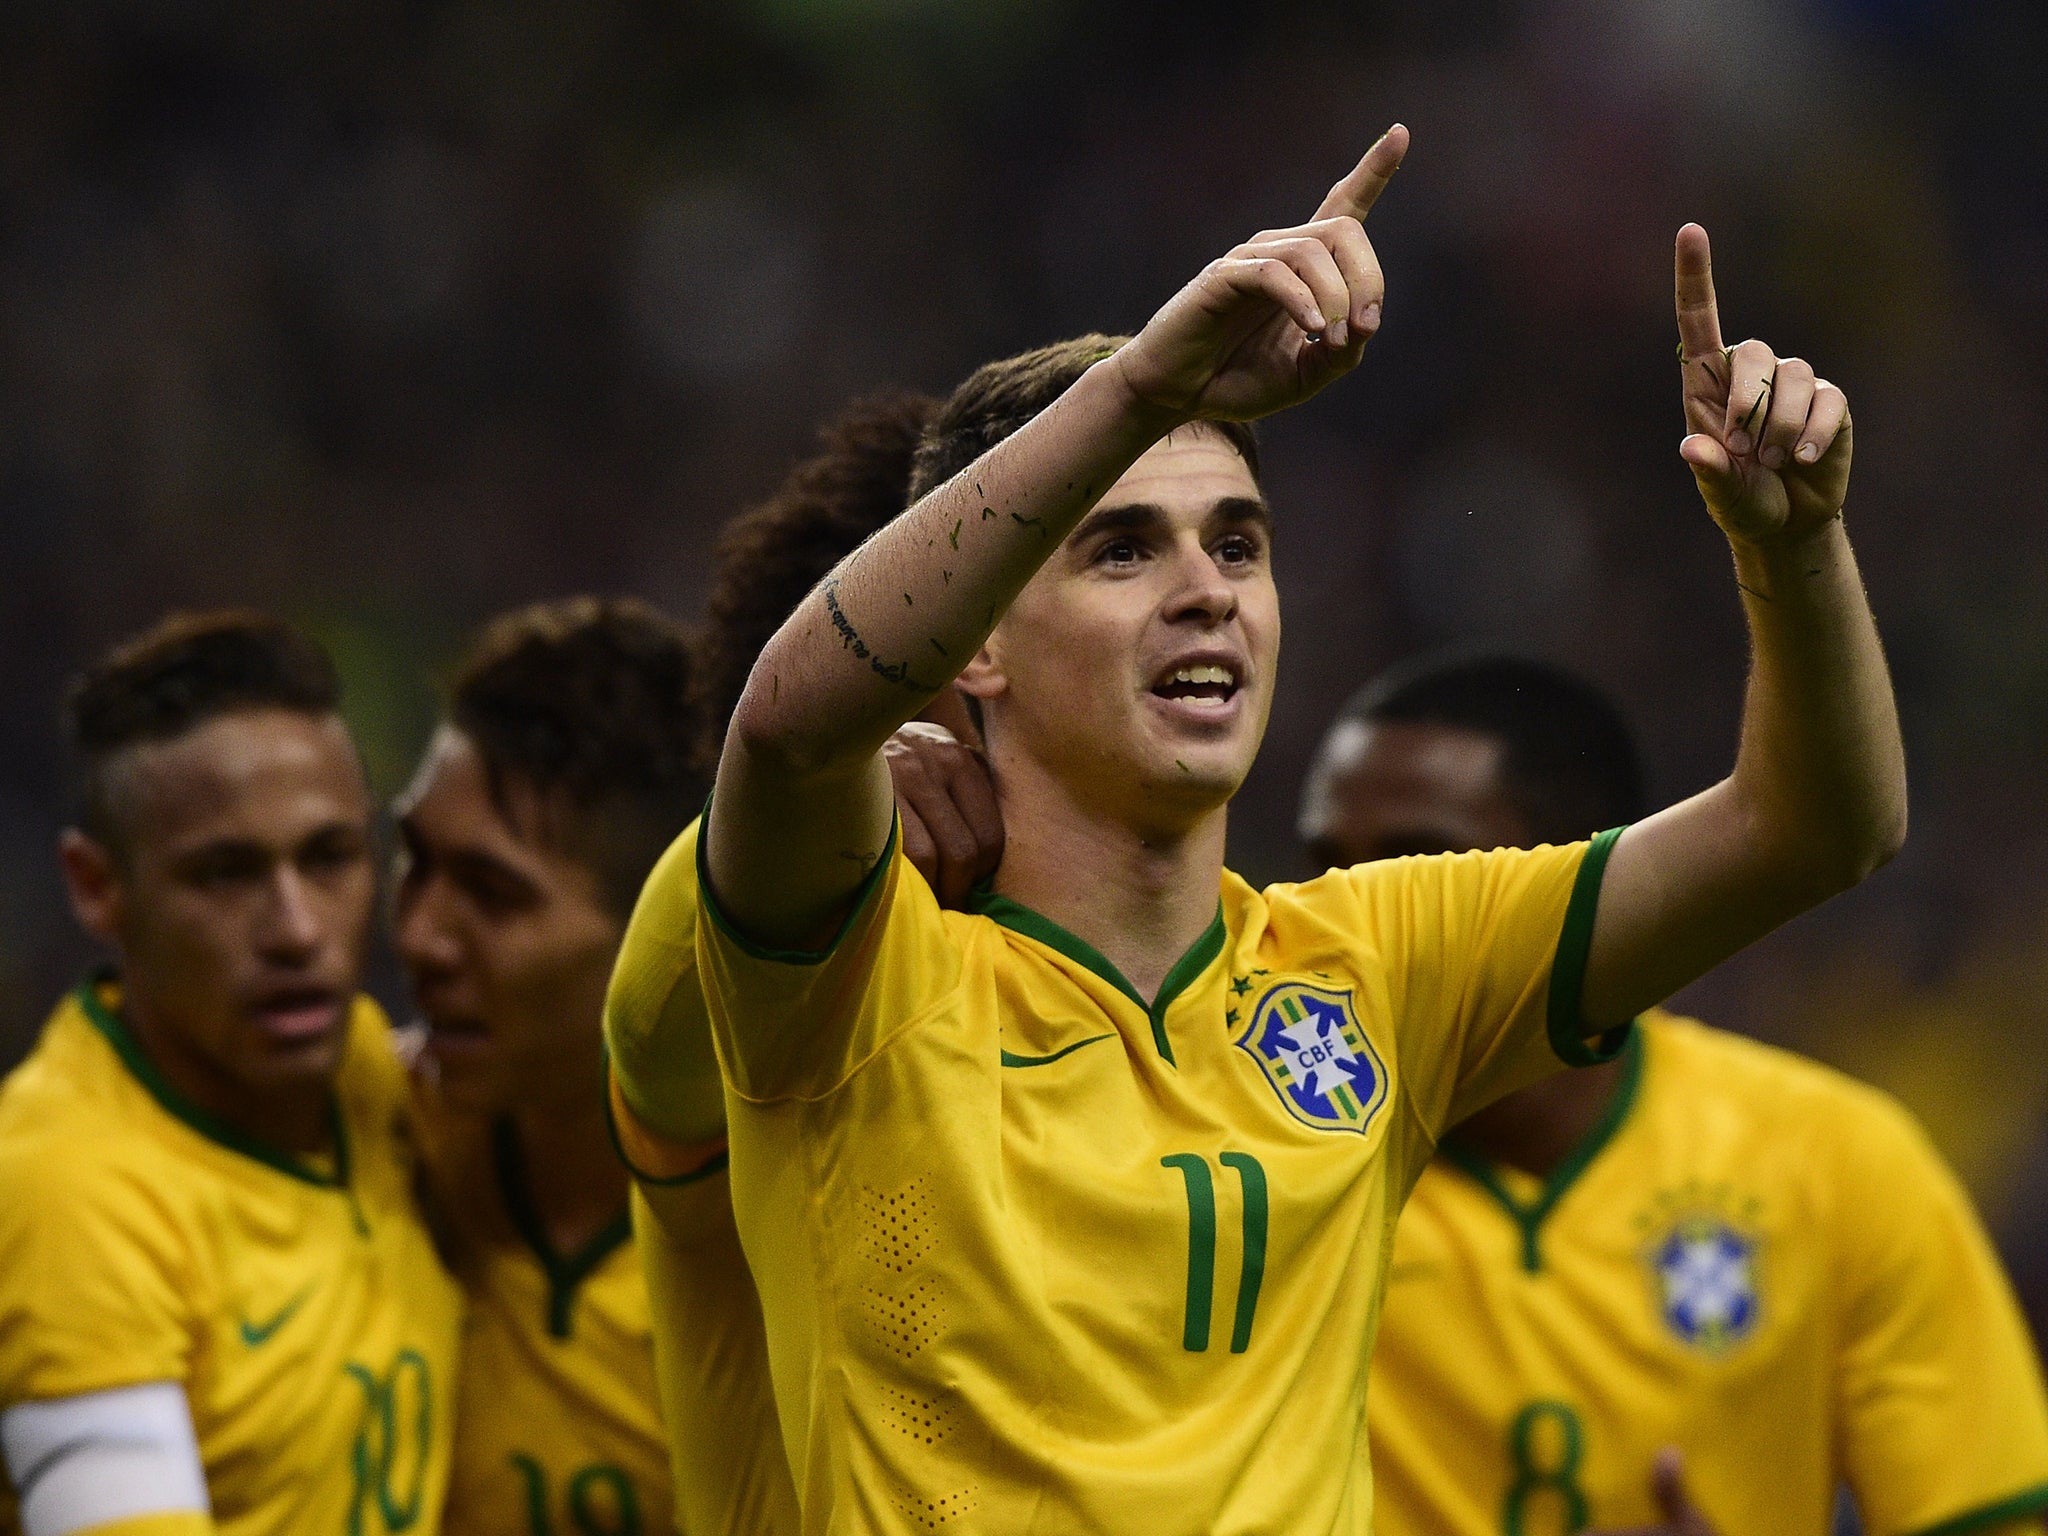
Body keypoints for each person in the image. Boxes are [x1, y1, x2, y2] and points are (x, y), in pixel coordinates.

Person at [614, 118, 1906, 1531]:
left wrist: (1792, 546)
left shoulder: (1381, 966)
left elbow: (1814, 830)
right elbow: (792, 732)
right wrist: (1149, 373)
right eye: (1123, 548)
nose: (1207, 590)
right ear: (973, 647)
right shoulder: (851, 983)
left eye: (1238, 543)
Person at [1298, 653, 2048, 1536]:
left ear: (1588, 892)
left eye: (1418, 869)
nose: (1344, 922)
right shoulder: (1267, 1171)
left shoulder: (1837, 1162)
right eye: (1322, 873)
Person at [0, 612, 461, 1536]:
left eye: (329, 857)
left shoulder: (369, 1075)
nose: (296, 929)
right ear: (97, 887)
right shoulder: (67, 1195)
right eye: (225, 874)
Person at [396, 596, 792, 1535]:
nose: (419, 937)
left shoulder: (772, 1271)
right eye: (413, 862)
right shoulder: (371, 1136)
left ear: (656, 939)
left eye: (493, 897)